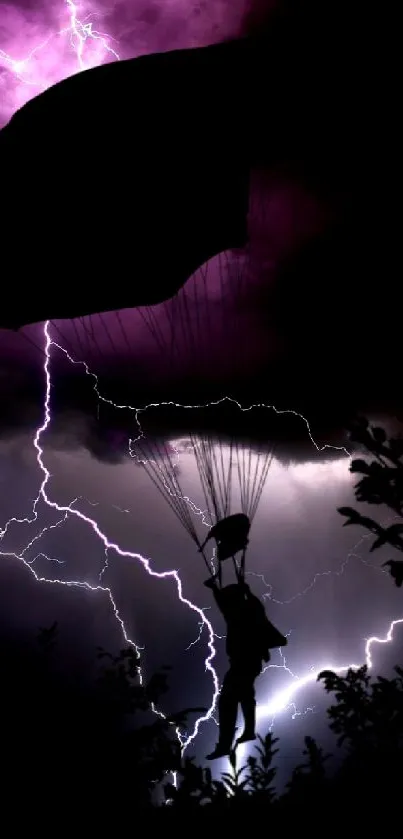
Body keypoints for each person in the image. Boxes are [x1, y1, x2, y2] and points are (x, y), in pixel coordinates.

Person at [204, 575, 287, 760]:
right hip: (245, 663)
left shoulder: (249, 612)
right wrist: (215, 589)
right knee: (243, 694)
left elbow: (254, 607)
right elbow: (223, 604)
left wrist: (246, 591)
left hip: (245, 663)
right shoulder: (236, 612)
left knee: (228, 700)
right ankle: (245, 732)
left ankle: (227, 743)